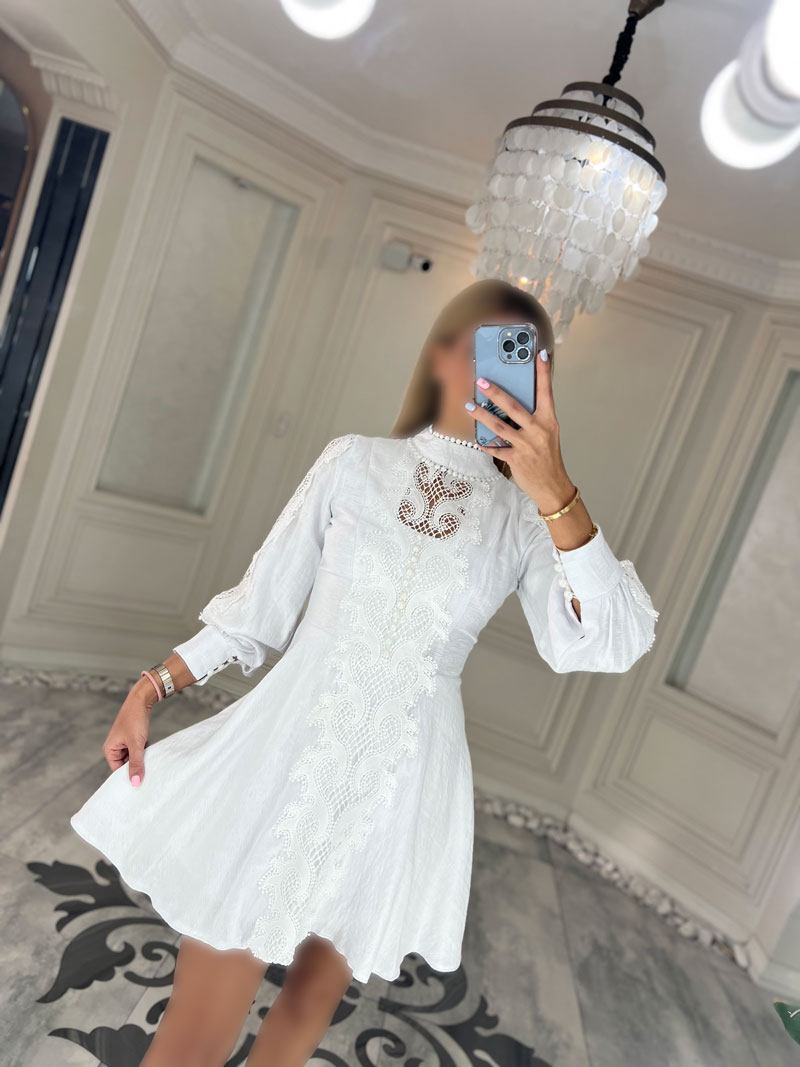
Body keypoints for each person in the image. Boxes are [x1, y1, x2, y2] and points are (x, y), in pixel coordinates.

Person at [71, 279, 657, 1067]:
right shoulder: (354, 463)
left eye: (517, 359)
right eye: (480, 346)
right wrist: (149, 690)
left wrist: (555, 488)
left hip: (400, 784)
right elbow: (254, 612)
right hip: (287, 750)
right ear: (441, 356)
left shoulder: (527, 521)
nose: (492, 372)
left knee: (298, 1023)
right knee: (194, 1033)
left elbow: (612, 640)